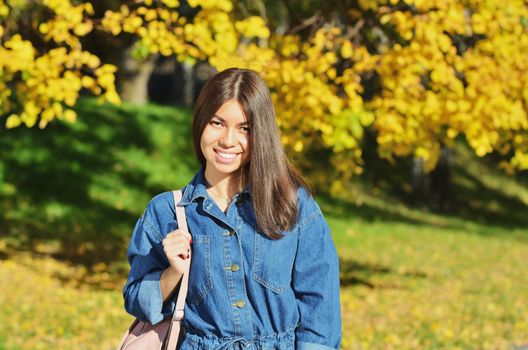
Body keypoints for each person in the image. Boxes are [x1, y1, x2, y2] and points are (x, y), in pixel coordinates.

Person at [123, 68, 341, 349]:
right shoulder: (166, 212)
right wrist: (173, 272)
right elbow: (136, 301)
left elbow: (320, 315)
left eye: (244, 128)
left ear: (261, 134)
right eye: (217, 123)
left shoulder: (293, 207)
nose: (227, 140)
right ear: (201, 122)